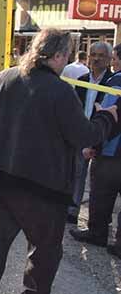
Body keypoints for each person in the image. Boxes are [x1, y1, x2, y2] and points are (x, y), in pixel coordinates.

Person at [0, 28, 118, 294]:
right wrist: (107, 116)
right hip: (43, 187)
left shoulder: (4, 78)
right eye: (66, 56)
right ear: (57, 56)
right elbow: (84, 135)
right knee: (44, 251)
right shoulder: (60, 91)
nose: (67, 62)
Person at [71, 43, 121, 258]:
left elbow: (110, 115)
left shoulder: (115, 81)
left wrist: (94, 145)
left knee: (101, 194)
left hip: (111, 151)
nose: (113, 62)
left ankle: (97, 233)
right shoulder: (86, 79)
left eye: (114, 58)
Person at [70, 42, 113, 223]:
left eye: (101, 55)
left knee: (99, 182)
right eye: (93, 54)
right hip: (82, 133)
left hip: (103, 137)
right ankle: (72, 211)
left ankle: (97, 222)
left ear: (109, 59)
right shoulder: (81, 80)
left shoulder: (112, 81)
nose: (96, 59)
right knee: (76, 174)